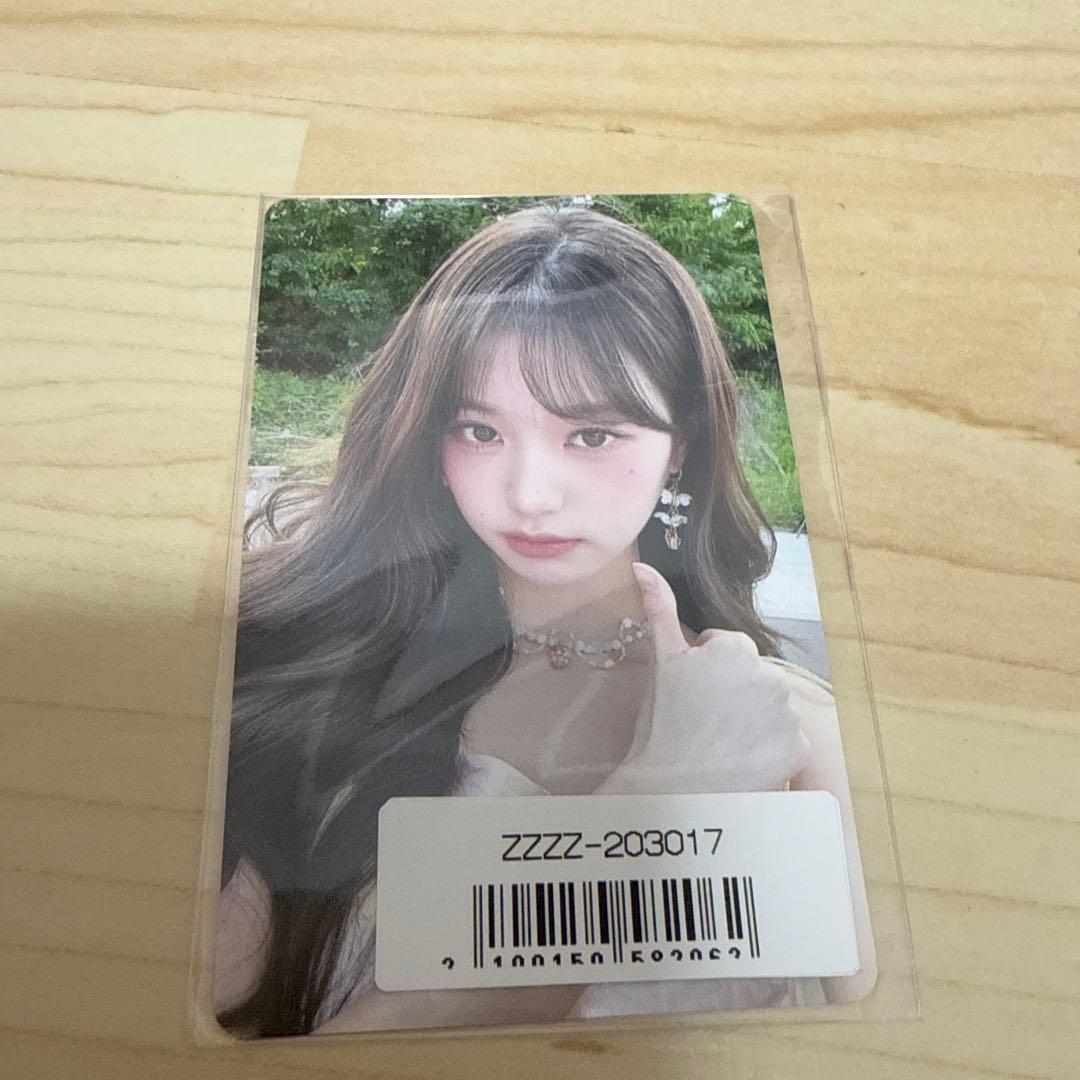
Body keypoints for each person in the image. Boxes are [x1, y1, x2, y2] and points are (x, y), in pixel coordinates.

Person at [213, 204, 877, 1038]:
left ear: (681, 442)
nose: (529, 493)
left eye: (592, 435)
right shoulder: (299, 673)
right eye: (479, 430)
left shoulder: (787, 730)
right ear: (428, 438)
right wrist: (654, 808)